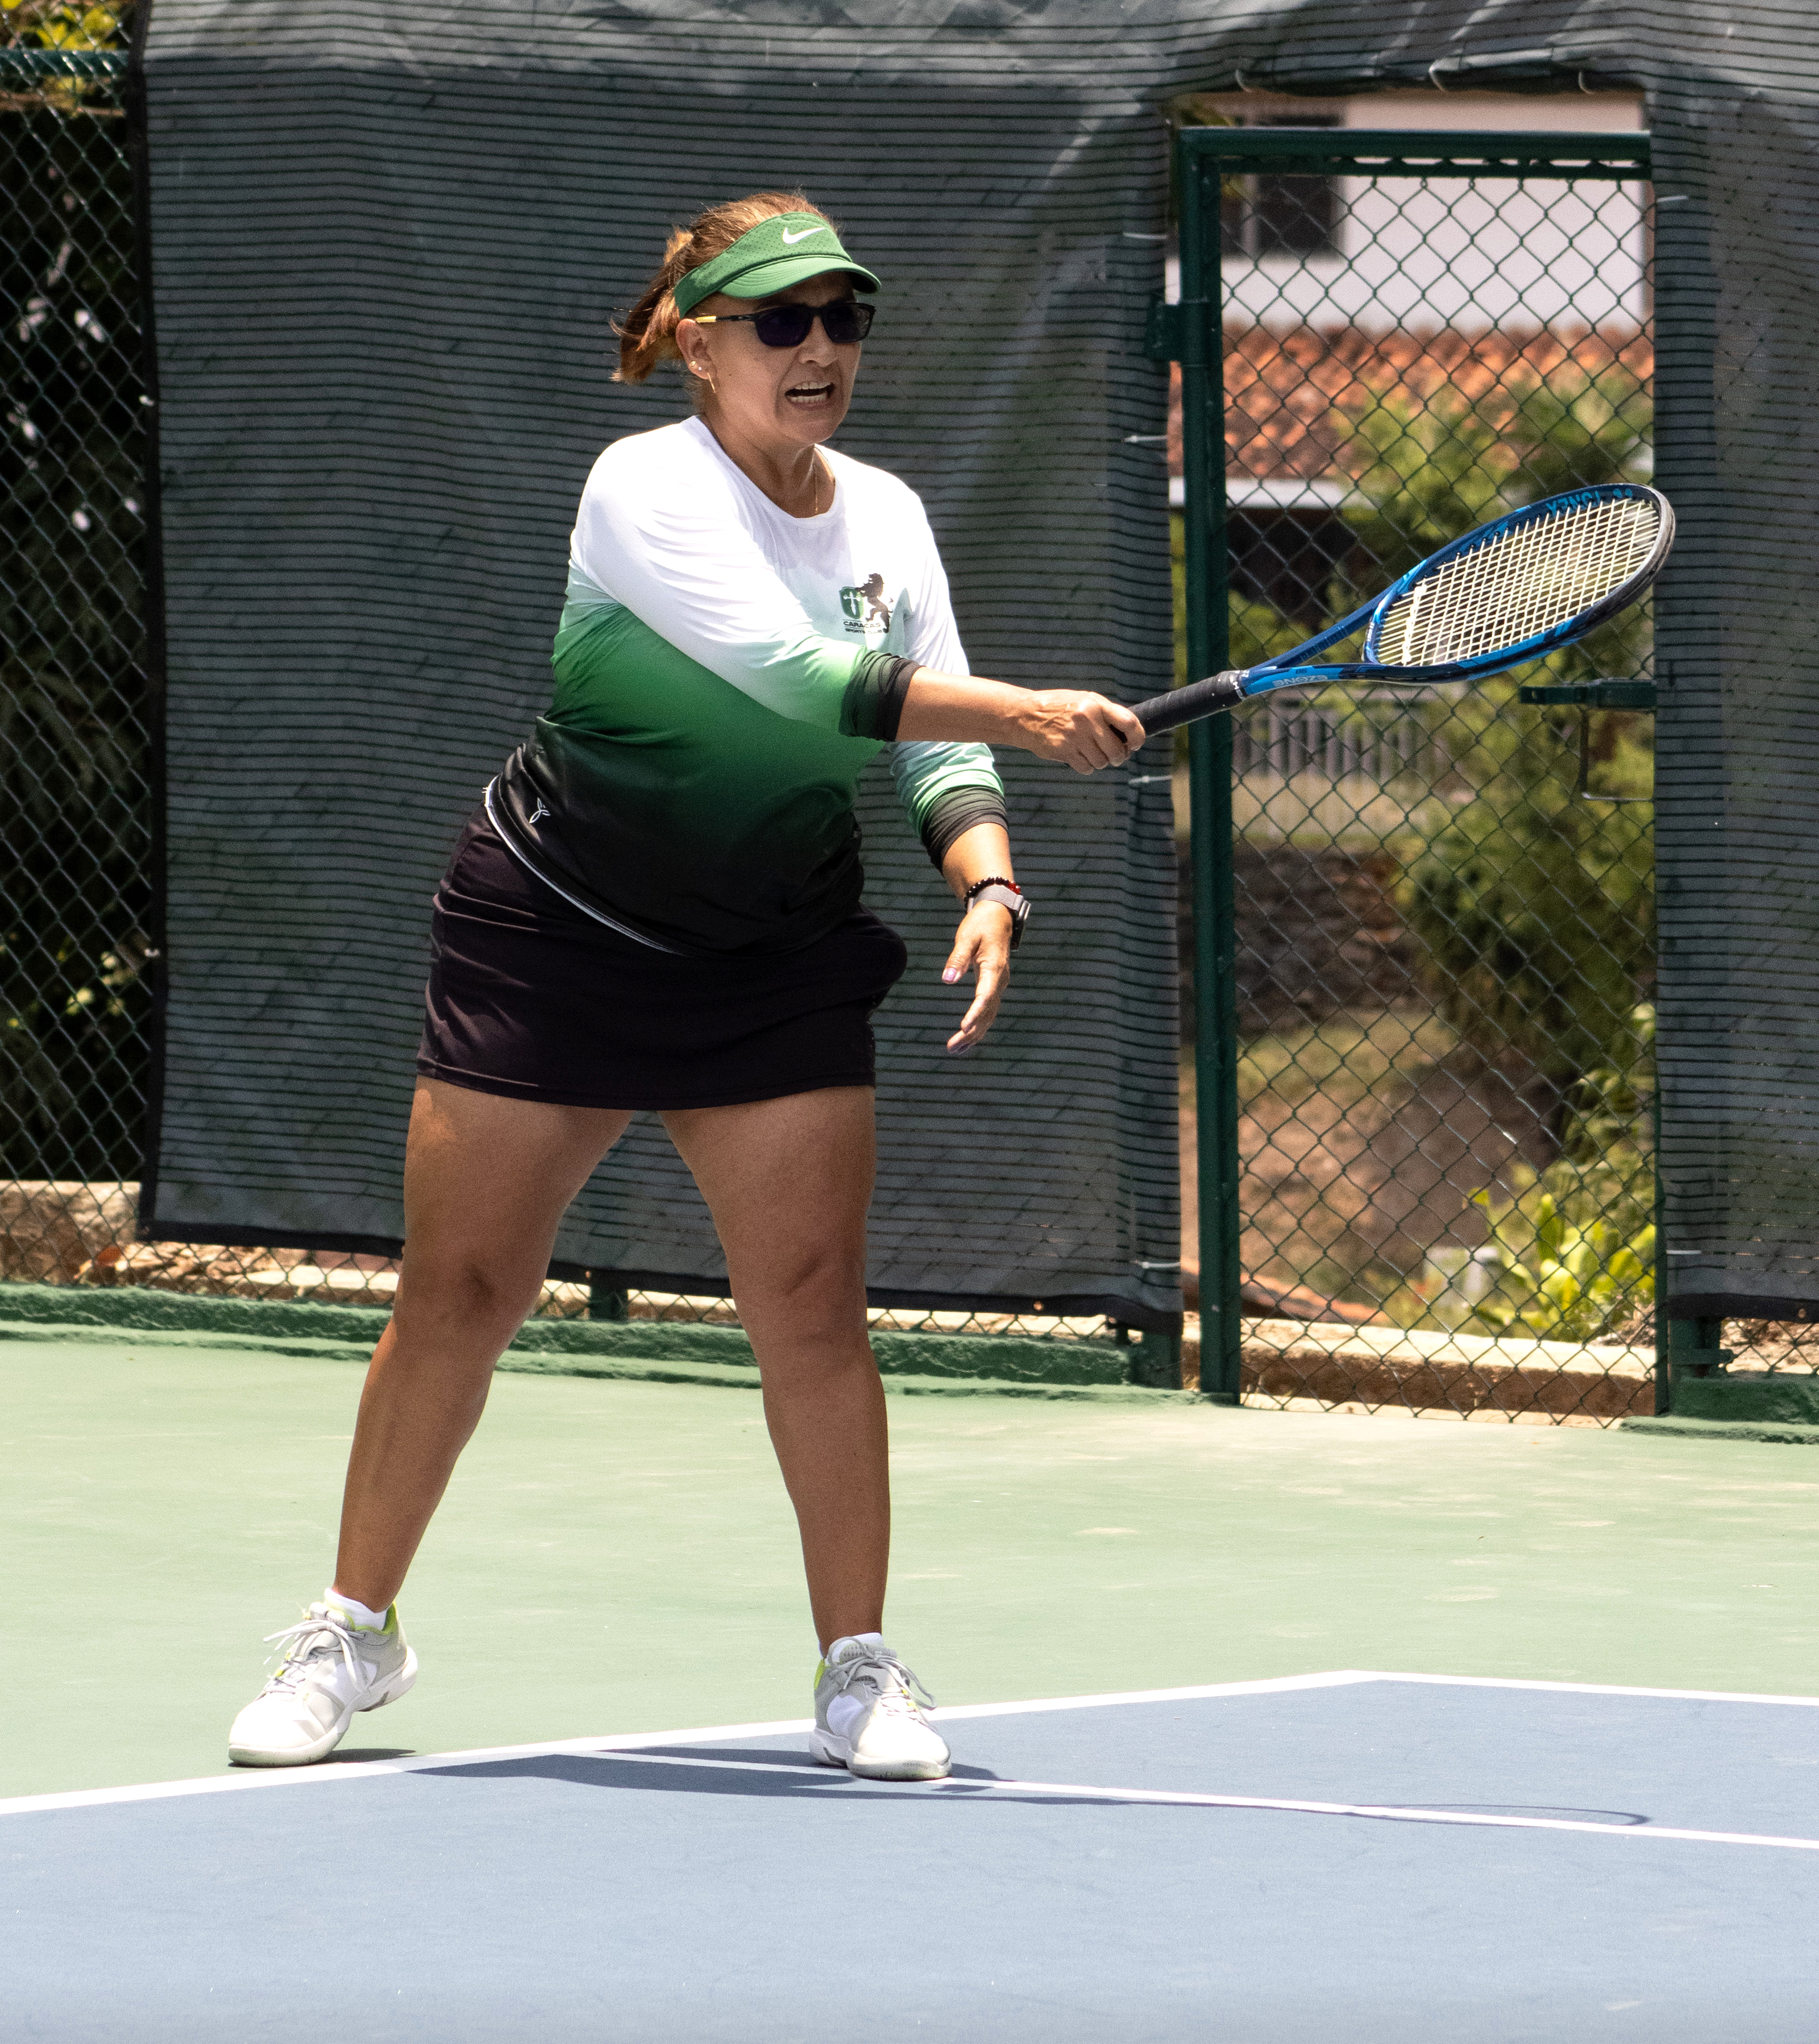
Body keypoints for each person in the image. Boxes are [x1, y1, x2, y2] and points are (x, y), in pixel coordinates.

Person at [226, 189, 1142, 1780]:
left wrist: (987, 865)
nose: (819, 350)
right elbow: (803, 686)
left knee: (811, 1313)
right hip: (558, 930)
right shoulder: (641, 486)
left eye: (843, 319)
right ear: (700, 343)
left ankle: (861, 1671)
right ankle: (350, 1637)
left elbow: (925, 737)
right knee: (459, 1295)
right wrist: (1029, 713)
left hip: (771, 956)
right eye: (781, 322)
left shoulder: (890, 517)